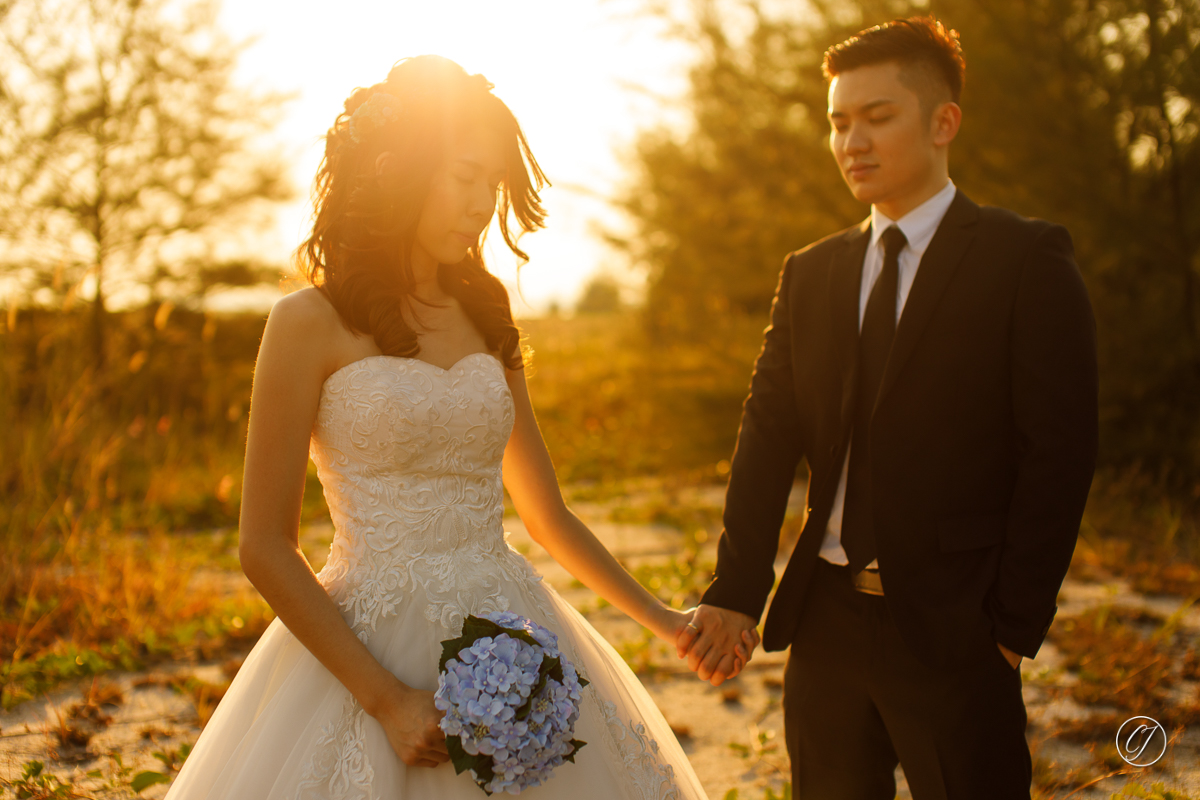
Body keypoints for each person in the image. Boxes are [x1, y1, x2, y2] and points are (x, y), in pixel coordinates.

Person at [164, 55, 738, 799]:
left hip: (510, 631)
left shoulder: (486, 309)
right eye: (464, 177)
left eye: (492, 184)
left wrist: (665, 619)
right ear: (400, 172)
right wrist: (386, 699)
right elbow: (264, 546)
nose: (480, 203)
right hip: (365, 649)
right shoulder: (305, 323)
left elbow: (546, 513)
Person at [677, 16, 1098, 800]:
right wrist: (735, 591)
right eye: (839, 122)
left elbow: (1061, 453)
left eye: (877, 117)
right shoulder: (810, 274)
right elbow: (767, 439)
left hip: (958, 630)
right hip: (826, 626)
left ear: (944, 122)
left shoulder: (1024, 259)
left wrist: (1010, 628)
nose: (851, 142)